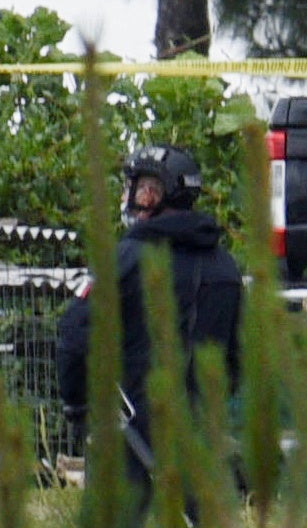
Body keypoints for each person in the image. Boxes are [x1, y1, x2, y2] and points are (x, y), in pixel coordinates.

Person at [54, 145, 248, 478]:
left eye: (134, 187)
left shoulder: (127, 258)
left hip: (129, 438)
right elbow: (237, 356)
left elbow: (75, 335)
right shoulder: (226, 268)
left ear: (151, 195)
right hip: (199, 441)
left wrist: (76, 404)